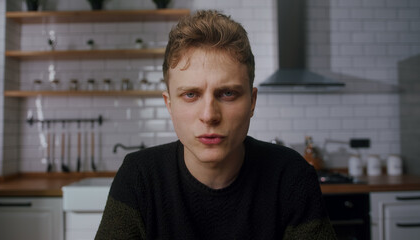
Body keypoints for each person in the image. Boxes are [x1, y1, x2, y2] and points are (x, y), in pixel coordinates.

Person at [95, 10, 336, 240]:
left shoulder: (291, 175)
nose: (209, 115)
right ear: (169, 105)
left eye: (228, 93)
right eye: (191, 94)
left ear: (252, 102)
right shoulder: (139, 177)